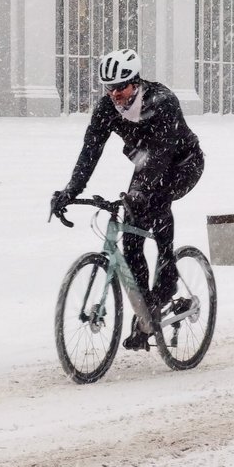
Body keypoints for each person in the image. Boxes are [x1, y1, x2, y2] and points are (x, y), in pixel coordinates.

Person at [51, 48, 205, 351]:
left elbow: (162, 156)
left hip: (183, 163)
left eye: (121, 87)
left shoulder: (162, 102)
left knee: (156, 202)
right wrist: (71, 190)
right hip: (146, 164)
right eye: (109, 88)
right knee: (131, 238)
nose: (115, 94)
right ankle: (147, 311)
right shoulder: (106, 108)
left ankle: (168, 279)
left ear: (136, 82)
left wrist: (140, 194)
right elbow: (90, 151)